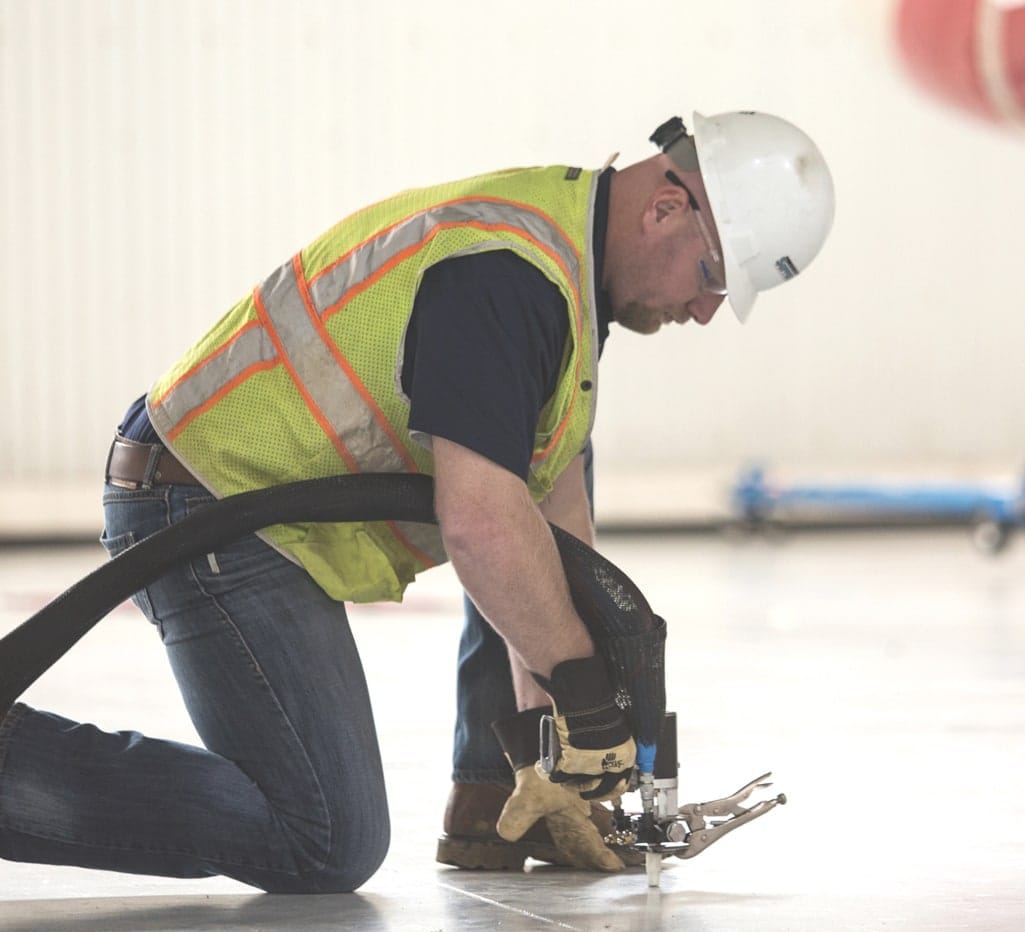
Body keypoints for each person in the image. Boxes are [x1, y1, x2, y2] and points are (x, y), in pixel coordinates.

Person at [0, 111, 834, 892]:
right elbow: (477, 526)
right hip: (204, 504)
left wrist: (564, 753)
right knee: (326, 835)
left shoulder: (563, 272)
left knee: (529, 528)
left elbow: (557, 536)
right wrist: (582, 689)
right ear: (664, 208)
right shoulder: (510, 276)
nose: (704, 309)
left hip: (263, 511)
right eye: (713, 275)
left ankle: (496, 803)